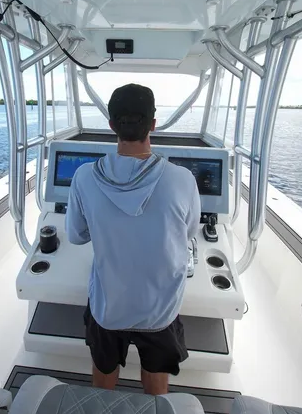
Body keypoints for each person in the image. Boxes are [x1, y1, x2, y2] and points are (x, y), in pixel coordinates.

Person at [66, 83, 201, 395]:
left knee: (103, 372)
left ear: (112, 125)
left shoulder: (84, 177)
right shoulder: (181, 178)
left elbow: (75, 235)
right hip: (160, 311)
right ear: (153, 124)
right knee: (156, 379)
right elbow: (190, 232)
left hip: (108, 308)